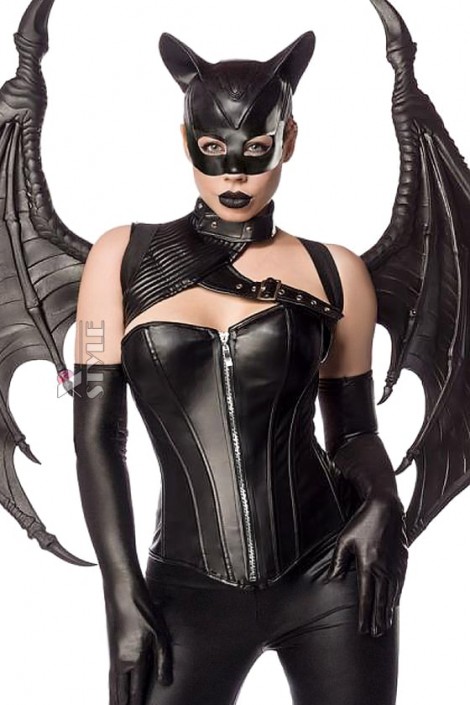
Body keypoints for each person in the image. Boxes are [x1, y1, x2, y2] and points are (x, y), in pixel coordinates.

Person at [72, 29, 408, 705]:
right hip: (185, 587)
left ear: (288, 140)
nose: (234, 174)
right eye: (213, 149)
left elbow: (353, 432)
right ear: (186, 141)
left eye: (255, 151)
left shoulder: (334, 271)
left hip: (333, 570)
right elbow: (99, 437)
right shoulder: (121, 259)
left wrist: (383, 502)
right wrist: (120, 590)